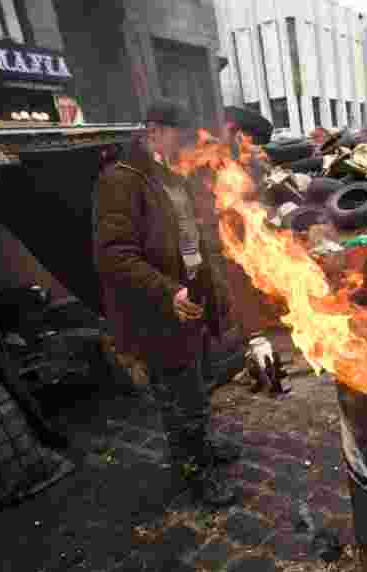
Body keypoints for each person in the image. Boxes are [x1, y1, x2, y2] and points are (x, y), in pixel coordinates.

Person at [94, 99, 238, 506]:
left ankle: (204, 447)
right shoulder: (121, 180)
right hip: (157, 312)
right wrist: (167, 291)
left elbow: (192, 240)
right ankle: (194, 474)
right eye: (180, 136)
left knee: (196, 387)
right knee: (178, 402)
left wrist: (213, 287)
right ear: (153, 131)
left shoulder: (172, 176)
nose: (187, 145)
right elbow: (114, 255)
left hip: (189, 304)